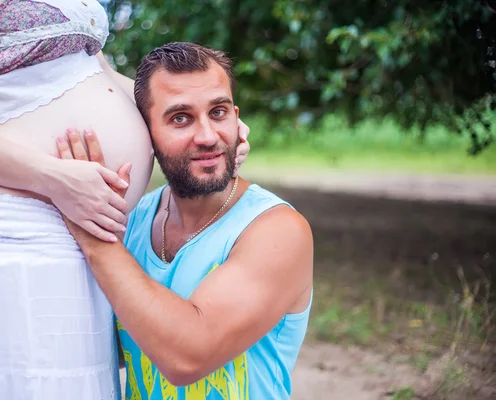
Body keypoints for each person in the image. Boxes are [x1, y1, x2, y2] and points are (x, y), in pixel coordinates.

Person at [0, 1, 250, 399]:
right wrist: (53, 179)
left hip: (95, 235)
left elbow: (92, 75)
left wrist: (206, 132)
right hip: (19, 238)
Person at [56, 42, 314, 399]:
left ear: (237, 118)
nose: (208, 136)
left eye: (219, 112)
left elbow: (187, 358)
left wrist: (93, 235)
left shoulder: (277, 230)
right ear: (145, 133)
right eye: (181, 118)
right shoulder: (133, 221)